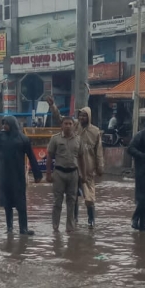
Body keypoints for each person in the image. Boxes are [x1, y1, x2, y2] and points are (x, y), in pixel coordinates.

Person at [0, 116, 43, 235]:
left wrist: (37, 174)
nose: (4, 126)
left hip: (18, 176)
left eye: (6, 124)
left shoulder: (23, 139)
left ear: (13, 124)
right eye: (3, 123)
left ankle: (23, 229)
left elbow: (31, 157)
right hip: (4, 176)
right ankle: (9, 228)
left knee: (21, 204)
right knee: (7, 204)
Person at [47, 97, 104, 226]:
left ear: (89, 117)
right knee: (73, 197)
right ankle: (74, 220)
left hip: (87, 169)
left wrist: (100, 167)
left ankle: (91, 220)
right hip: (72, 168)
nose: (82, 118)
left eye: (84, 116)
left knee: (90, 197)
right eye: (80, 116)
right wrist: (53, 106)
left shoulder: (95, 131)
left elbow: (99, 151)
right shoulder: (74, 125)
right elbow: (60, 118)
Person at [46, 116, 82, 233]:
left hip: (73, 173)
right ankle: (55, 228)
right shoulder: (55, 139)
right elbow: (49, 156)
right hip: (59, 173)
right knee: (57, 202)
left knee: (72, 202)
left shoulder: (78, 139)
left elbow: (82, 158)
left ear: (73, 125)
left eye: (70, 124)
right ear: (62, 125)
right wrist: (48, 173)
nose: (67, 126)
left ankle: (70, 228)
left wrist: (83, 174)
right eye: (65, 124)